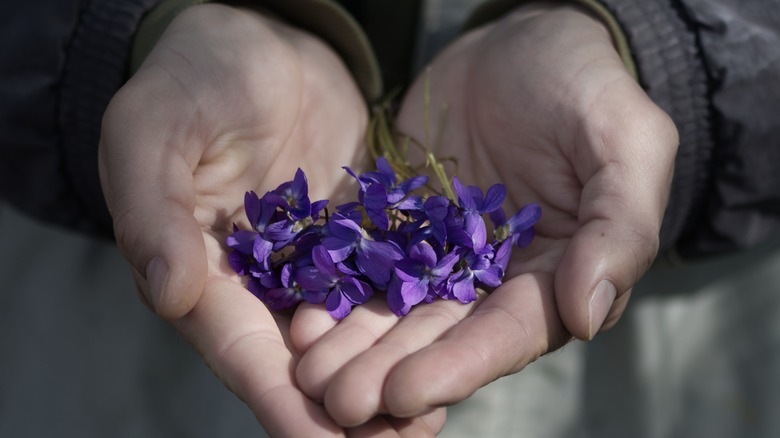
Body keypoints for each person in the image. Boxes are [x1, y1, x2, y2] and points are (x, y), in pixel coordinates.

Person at [1, 0, 778, 436]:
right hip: (93, 297)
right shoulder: (337, 232)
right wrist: (124, 31)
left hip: (693, 319)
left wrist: (662, 51)